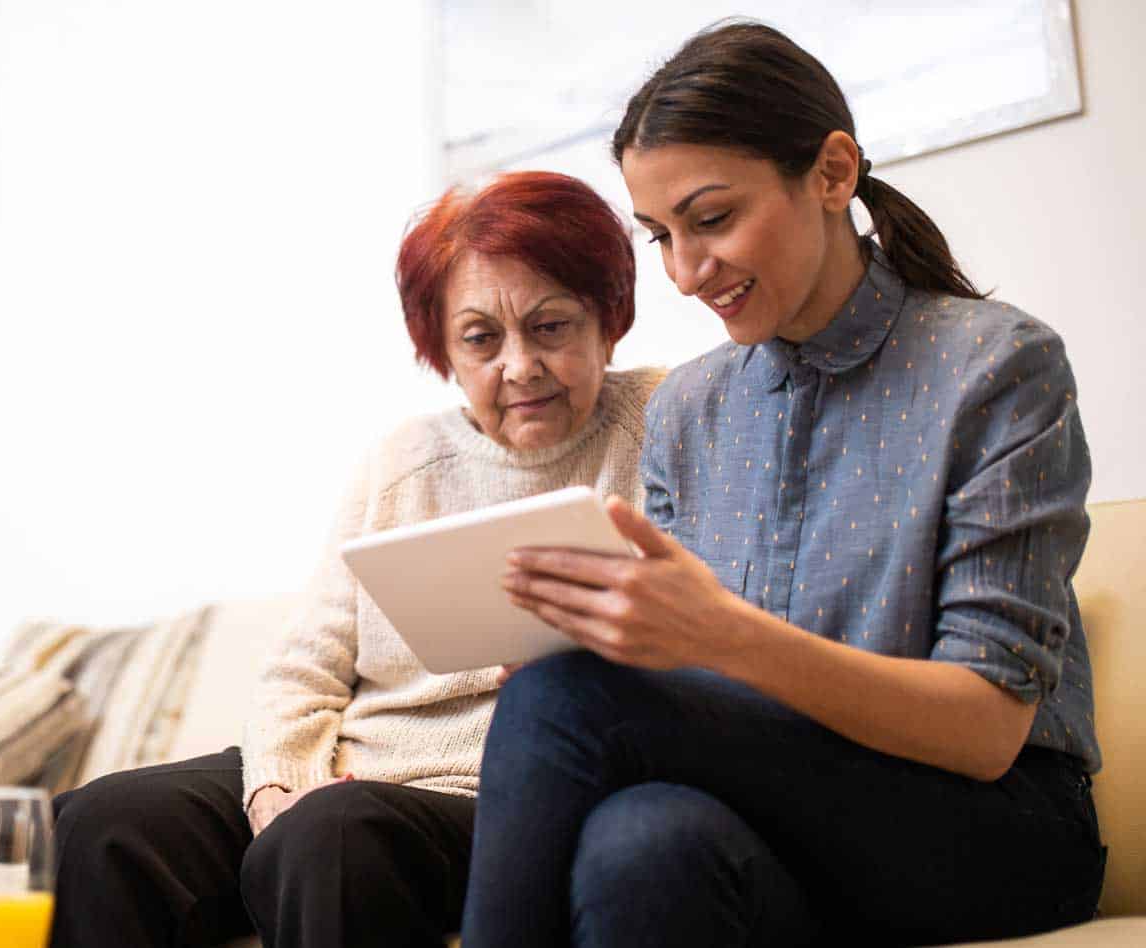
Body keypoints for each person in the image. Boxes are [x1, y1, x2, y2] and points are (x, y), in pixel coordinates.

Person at [461, 20, 1106, 948]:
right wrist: (617, 641)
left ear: (833, 173)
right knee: (639, 843)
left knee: (563, 706)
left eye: (713, 219)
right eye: (662, 237)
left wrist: (721, 637)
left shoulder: (997, 368)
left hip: (996, 825)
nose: (686, 273)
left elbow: (986, 732)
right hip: (797, 816)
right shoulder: (689, 407)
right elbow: (704, 702)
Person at [48, 171, 664, 948]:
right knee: (103, 822)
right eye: (481, 338)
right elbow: (303, 665)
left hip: (503, 801)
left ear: (609, 321)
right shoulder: (403, 461)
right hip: (351, 775)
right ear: (439, 347)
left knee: (335, 835)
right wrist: (276, 783)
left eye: (551, 327)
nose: (519, 367)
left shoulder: (666, 426)